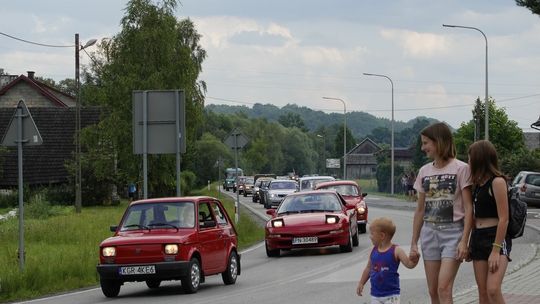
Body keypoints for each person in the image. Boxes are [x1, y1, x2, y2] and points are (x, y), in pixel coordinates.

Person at [409, 122, 473, 304]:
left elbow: (469, 207)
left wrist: (464, 241)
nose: (423, 148)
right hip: (429, 234)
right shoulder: (424, 171)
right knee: (433, 291)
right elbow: (420, 210)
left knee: (443, 288)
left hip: (453, 234)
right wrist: (414, 242)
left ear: (439, 142)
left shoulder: (461, 169)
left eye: (426, 143)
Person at [467, 140, 511, 304]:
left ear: (480, 159)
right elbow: (474, 217)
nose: (468, 162)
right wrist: (470, 243)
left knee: (493, 289)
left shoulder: (497, 182)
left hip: (496, 238)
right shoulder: (477, 185)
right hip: (478, 238)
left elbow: (504, 219)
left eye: (470, 158)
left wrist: (495, 250)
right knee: (483, 293)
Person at [357, 217, 419, 303]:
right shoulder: (373, 251)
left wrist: (415, 260)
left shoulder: (396, 250)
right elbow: (368, 268)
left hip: (392, 295)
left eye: (372, 234)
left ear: (382, 236)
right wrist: (361, 283)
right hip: (375, 295)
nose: (370, 237)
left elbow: (409, 264)